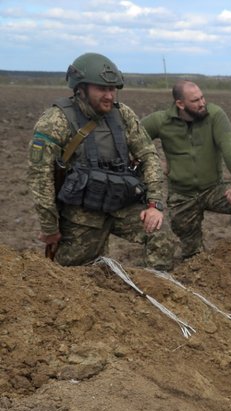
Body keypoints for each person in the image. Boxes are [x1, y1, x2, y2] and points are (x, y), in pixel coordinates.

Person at [27, 52, 172, 268]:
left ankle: (153, 291)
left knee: (161, 236)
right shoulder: (55, 121)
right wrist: (50, 228)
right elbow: (41, 179)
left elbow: (149, 156)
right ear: (81, 89)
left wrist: (154, 205)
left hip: (122, 203)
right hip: (82, 213)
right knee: (71, 272)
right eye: (102, 89)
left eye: (113, 89)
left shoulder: (123, 114)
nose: (109, 96)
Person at [142, 80, 231, 262]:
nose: (202, 103)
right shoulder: (161, 121)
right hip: (182, 197)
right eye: (195, 100)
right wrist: (153, 161)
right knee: (192, 254)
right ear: (180, 104)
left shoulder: (215, 115)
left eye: (202, 97)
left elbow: (229, 148)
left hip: (213, 189)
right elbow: (134, 139)